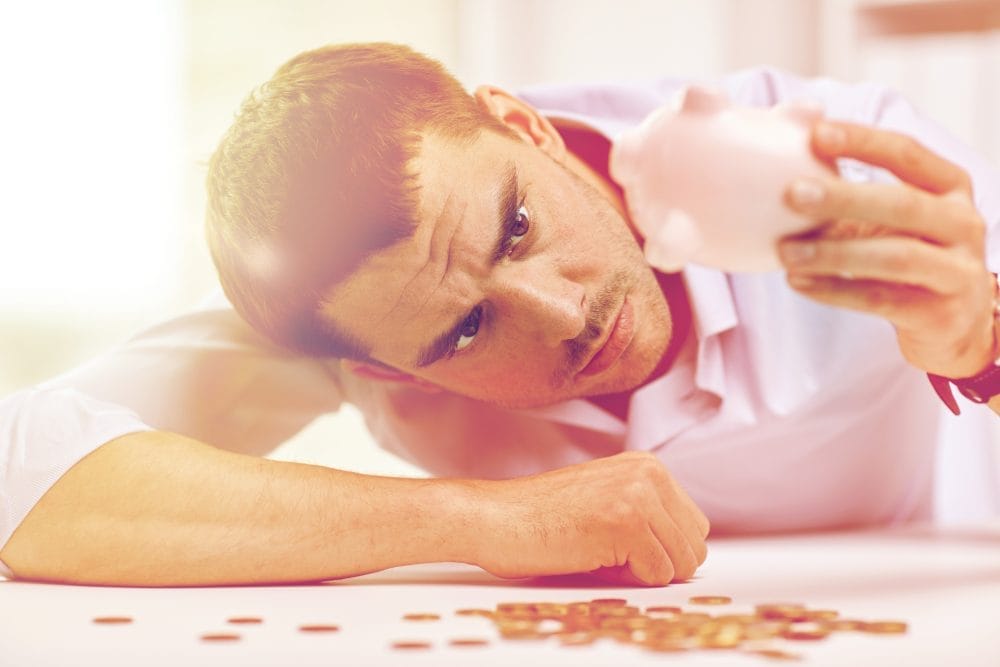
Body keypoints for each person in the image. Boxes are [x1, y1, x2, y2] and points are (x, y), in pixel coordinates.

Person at [1, 43, 998, 587]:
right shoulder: (343, 333)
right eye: (464, 332)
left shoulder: (820, 161)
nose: (564, 313)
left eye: (516, 226)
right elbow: (20, 467)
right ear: (387, 373)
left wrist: (984, 344)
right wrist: (468, 517)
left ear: (523, 124)